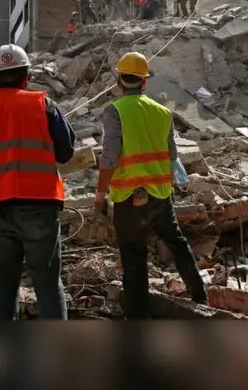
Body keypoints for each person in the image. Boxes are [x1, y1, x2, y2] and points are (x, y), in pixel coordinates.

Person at [0, 44, 76, 320]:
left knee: (3, 282)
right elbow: (66, 152)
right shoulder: (43, 105)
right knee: (46, 280)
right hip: (40, 204)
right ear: (26, 75)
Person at [94, 52, 208, 319]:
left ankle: (138, 319)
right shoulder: (163, 112)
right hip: (160, 196)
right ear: (144, 82)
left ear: (119, 81)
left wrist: (100, 196)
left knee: (133, 257)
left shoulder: (114, 111)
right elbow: (171, 155)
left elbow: (109, 157)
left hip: (128, 198)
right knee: (178, 244)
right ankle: (200, 296)